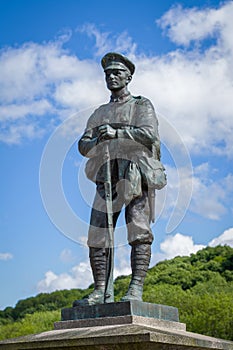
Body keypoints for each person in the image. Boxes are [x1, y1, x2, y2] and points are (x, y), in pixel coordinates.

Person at [73, 52, 166, 307]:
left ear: (129, 77)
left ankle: (135, 288)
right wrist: (96, 141)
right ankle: (100, 291)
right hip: (106, 177)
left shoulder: (141, 105)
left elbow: (149, 135)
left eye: (117, 72)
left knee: (139, 232)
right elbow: (82, 145)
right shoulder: (99, 112)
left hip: (134, 172)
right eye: (107, 74)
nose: (112, 76)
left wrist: (117, 132)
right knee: (98, 234)